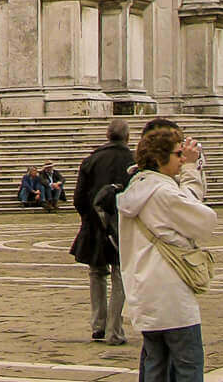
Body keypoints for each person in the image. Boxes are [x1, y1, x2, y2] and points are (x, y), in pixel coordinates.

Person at [119, 121, 217, 382]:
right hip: (172, 294)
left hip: (145, 292)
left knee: (155, 365)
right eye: (177, 154)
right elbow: (201, 218)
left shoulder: (137, 187)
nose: (182, 159)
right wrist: (192, 170)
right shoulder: (162, 191)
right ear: (160, 157)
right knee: (187, 366)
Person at [70, 118, 133, 344]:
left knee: (97, 273)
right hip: (123, 225)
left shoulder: (91, 160)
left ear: (107, 136)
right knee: (120, 276)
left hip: (95, 225)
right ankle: (114, 330)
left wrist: (90, 218)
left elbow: (78, 198)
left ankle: (98, 325)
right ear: (127, 137)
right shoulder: (133, 161)